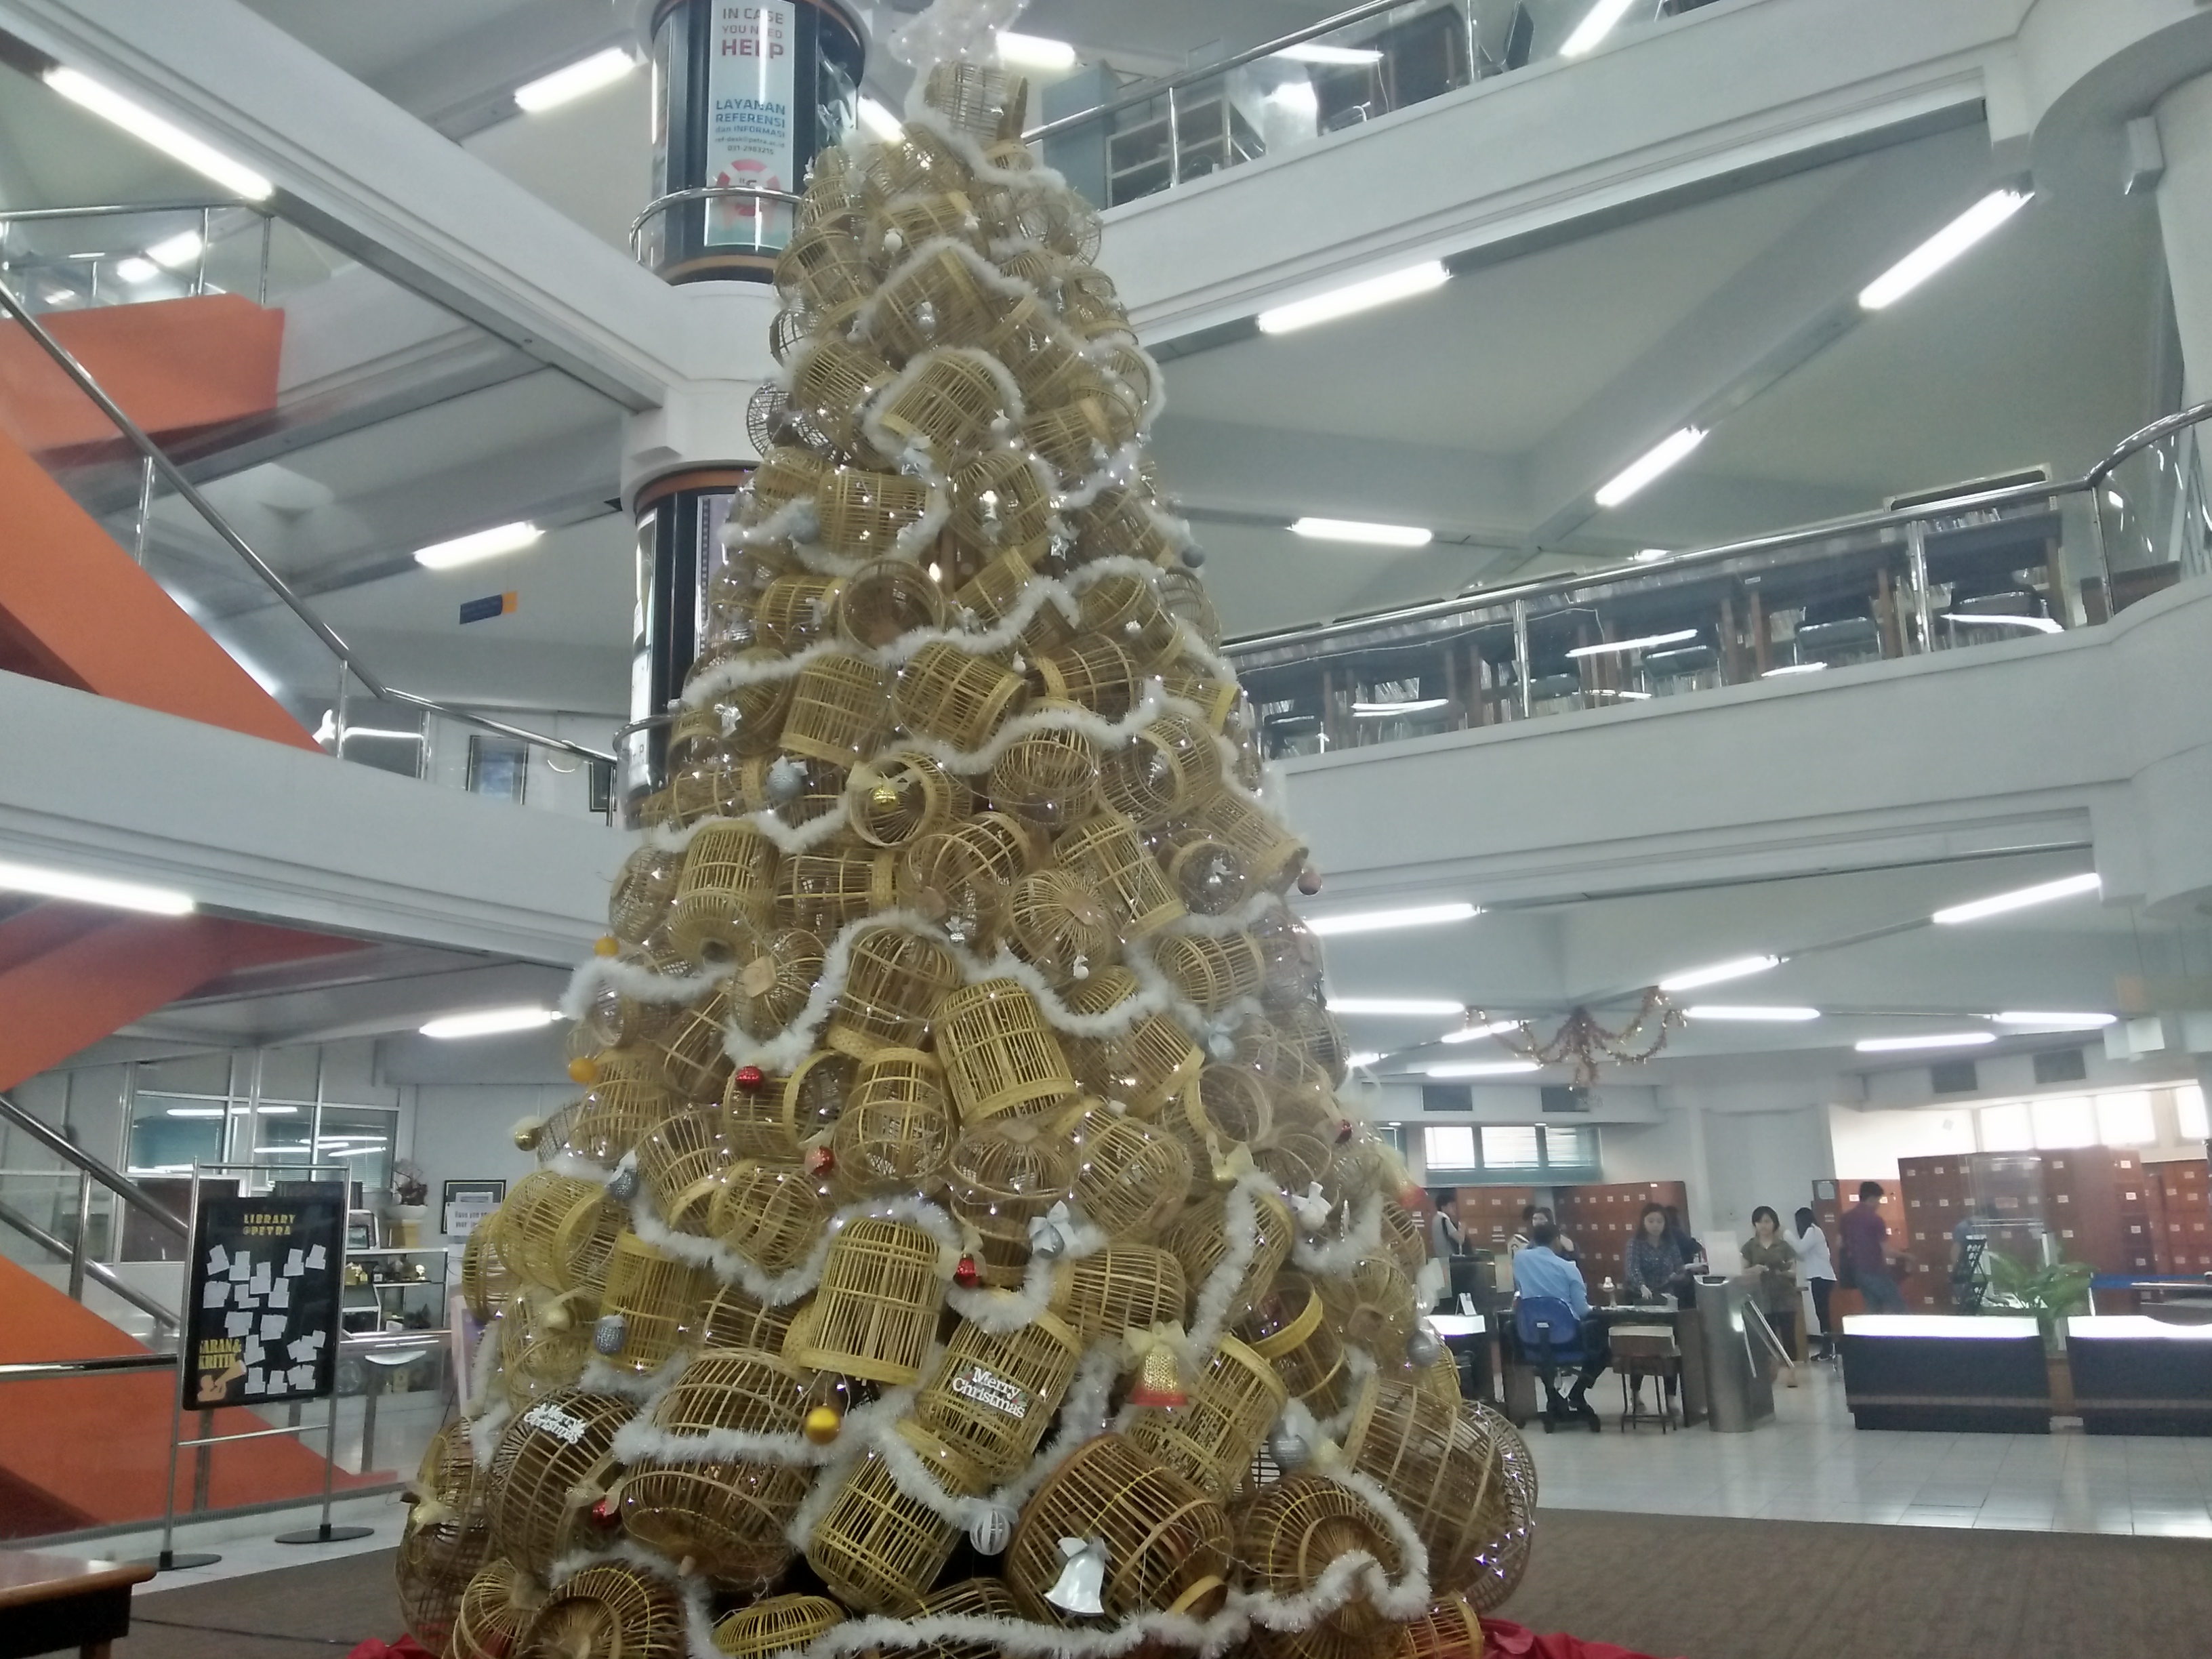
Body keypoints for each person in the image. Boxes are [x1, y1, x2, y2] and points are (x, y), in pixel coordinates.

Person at [1511, 1222, 1605, 1430]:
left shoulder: (1520, 1260)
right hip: (1568, 1342)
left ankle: (1554, 1397)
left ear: (1534, 1240)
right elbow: (1582, 1310)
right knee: (1603, 1348)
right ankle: (1577, 1392)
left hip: (1533, 1343)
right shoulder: (1568, 1268)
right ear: (1557, 1240)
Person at [1740, 1206, 1800, 1385]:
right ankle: (1770, 1373)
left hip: (1785, 1296)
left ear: (1774, 1223)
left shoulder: (1784, 1246)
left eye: (1767, 1221)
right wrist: (1754, 1270)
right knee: (1767, 1337)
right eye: (1759, 1222)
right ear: (1754, 1225)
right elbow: (1741, 1271)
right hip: (1761, 1298)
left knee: (1788, 1335)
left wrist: (1783, 1271)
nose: (1763, 1225)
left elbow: (1794, 1271)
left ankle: (1791, 1373)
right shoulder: (1750, 1246)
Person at [1839, 1181, 1907, 1313]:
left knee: (1873, 1309)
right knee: (1898, 1306)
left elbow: (1839, 1243)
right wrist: (1907, 1256)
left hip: (1857, 1272)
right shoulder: (1875, 1219)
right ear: (1872, 1198)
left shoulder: (1846, 1217)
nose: (1879, 1204)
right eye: (1879, 1200)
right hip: (1874, 1270)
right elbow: (1887, 1251)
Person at [1622, 1202, 1689, 1305]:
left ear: (1665, 1224)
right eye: (1651, 1221)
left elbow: (1679, 1266)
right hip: (1639, 1296)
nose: (1655, 1225)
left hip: (1665, 1295)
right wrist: (1642, 1286)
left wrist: (1679, 1275)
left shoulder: (1670, 1243)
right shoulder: (1635, 1243)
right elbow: (1632, 1268)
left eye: (1660, 1221)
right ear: (1643, 1222)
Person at [1793, 1206, 1837, 1359]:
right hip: (1820, 1277)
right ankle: (1828, 1348)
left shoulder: (1812, 1231)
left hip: (1822, 1278)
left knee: (1823, 1314)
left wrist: (1785, 1234)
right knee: (1822, 1314)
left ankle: (1828, 1349)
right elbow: (1803, 1255)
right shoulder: (1814, 1232)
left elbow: (1799, 1249)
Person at [1429, 1190, 1468, 1261]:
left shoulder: (1435, 1218)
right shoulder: (1444, 1220)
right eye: (1451, 1206)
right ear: (1443, 1208)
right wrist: (1463, 1228)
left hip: (1440, 1256)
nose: (1454, 1209)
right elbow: (1460, 1239)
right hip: (1449, 1258)